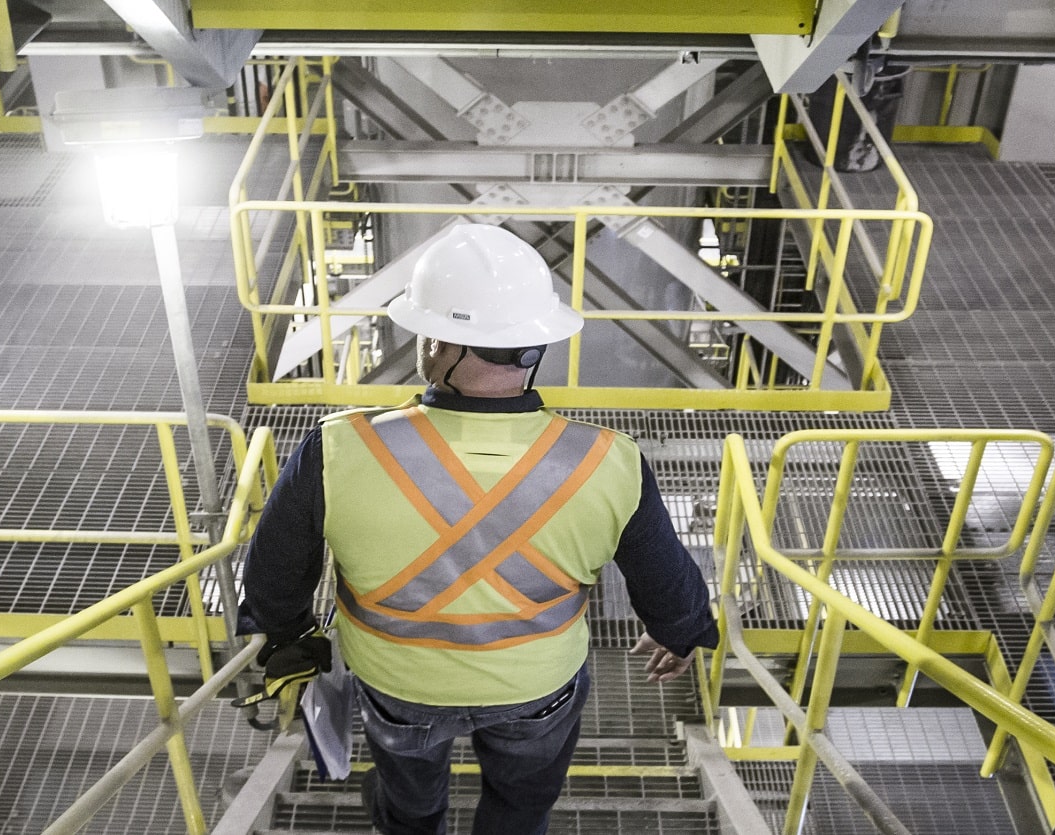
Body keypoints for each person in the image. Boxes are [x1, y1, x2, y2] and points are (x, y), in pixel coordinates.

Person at [238, 223, 720, 835]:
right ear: (535, 344)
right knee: (520, 806)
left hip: (397, 683)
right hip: (536, 687)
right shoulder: (608, 461)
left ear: (441, 345)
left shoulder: (339, 448)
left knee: (410, 804)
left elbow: (275, 569)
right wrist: (679, 635)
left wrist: (287, 636)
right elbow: (666, 580)